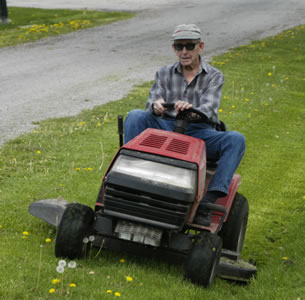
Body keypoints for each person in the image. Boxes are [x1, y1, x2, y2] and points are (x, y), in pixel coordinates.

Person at [124, 24, 245, 226]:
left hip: (200, 132)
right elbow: (152, 102)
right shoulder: (164, 73)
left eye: (190, 46)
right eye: (179, 47)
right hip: (167, 126)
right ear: (174, 48)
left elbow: (209, 108)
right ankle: (130, 176)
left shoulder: (214, 76)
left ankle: (207, 203)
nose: (184, 52)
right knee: (135, 116)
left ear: (201, 46)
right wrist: (156, 107)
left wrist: (191, 108)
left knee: (236, 140)